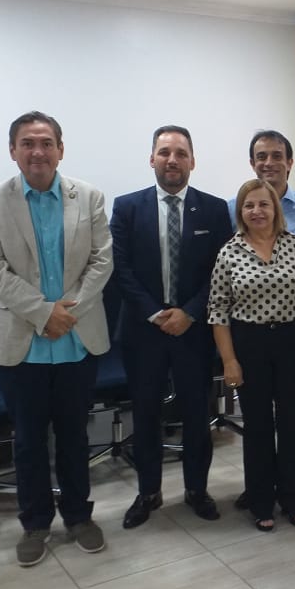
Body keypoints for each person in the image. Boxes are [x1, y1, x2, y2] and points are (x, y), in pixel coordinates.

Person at [0, 110, 112, 567]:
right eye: (28, 143)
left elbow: (102, 261)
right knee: (29, 440)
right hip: (21, 340)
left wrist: (65, 314)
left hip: (76, 334)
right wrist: (42, 313)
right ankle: (35, 523)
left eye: (46, 143)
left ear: (60, 149)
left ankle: (79, 516)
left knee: (74, 435)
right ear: (13, 151)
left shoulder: (88, 196)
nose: (38, 151)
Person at [110, 125, 232, 529]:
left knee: (197, 415)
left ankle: (197, 490)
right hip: (143, 331)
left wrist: (189, 312)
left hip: (193, 331)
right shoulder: (127, 207)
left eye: (181, 153)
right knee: (146, 415)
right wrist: (154, 313)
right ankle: (148, 492)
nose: (172, 160)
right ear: (152, 159)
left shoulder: (214, 209)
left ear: (192, 161)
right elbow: (120, 269)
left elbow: (221, 271)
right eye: (164, 152)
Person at [208, 179, 295, 531]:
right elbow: (217, 311)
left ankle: (293, 497)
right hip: (250, 343)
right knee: (257, 425)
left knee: (292, 422)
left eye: (264, 204)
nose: (257, 211)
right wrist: (229, 361)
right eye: (249, 205)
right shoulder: (229, 252)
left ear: (276, 209)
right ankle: (260, 501)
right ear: (240, 212)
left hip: (292, 341)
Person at [227, 129, 295, 511]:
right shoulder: (231, 209)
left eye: (276, 155)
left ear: (290, 161)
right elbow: (222, 283)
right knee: (256, 419)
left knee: (292, 417)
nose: (268, 162)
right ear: (252, 162)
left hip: (294, 332)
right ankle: (260, 489)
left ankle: (290, 488)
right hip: (248, 335)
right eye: (261, 156)